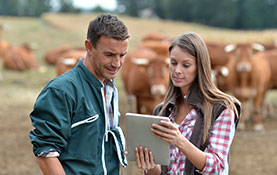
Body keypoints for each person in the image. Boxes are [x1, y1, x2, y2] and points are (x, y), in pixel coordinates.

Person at [29, 14, 129, 175]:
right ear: (89, 47)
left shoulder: (110, 88)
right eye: (109, 55)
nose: (117, 63)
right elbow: (46, 155)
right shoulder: (61, 91)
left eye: (122, 55)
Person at [135, 32, 241, 175]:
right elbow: (162, 171)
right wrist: (150, 166)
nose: (177, 71)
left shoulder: (222, 107)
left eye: (186, 65)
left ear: (200, 67)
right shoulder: (162, 111)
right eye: (173, 63)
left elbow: (217, 167)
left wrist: (180, 141)